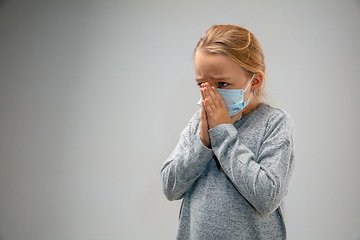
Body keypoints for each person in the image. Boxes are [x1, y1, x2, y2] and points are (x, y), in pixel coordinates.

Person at [161, 24, 295, 240]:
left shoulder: (275, 123)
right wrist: (203, 143)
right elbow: (170, 187)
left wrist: (222, 135)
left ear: (255, 82)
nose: (210, 94)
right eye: (202, 84)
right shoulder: (198, 123)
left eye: (222, 83)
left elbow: (267, 197)